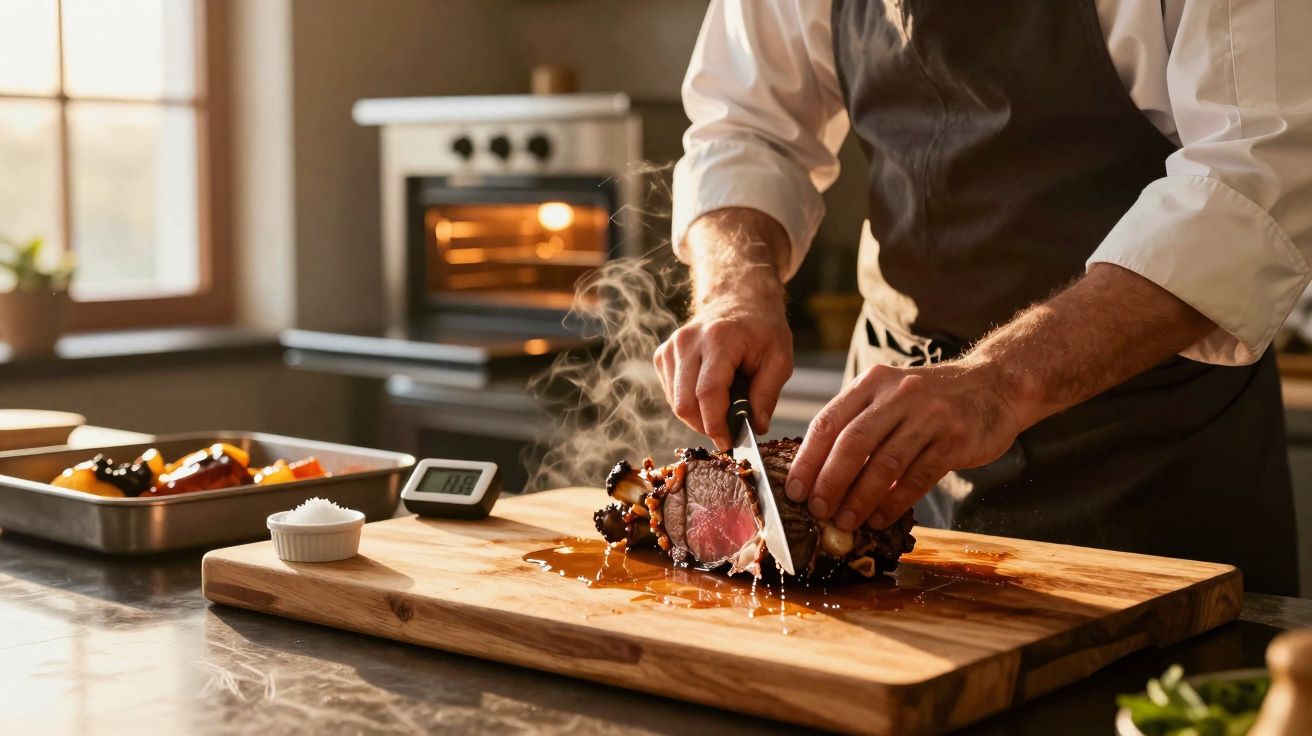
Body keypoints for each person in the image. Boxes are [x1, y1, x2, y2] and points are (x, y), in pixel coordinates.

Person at [655, 0, 1311, 595]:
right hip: (882, 454)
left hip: (1150, 467)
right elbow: (744, 126)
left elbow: (1255, 178)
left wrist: (1001, 381)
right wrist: (734, 289)